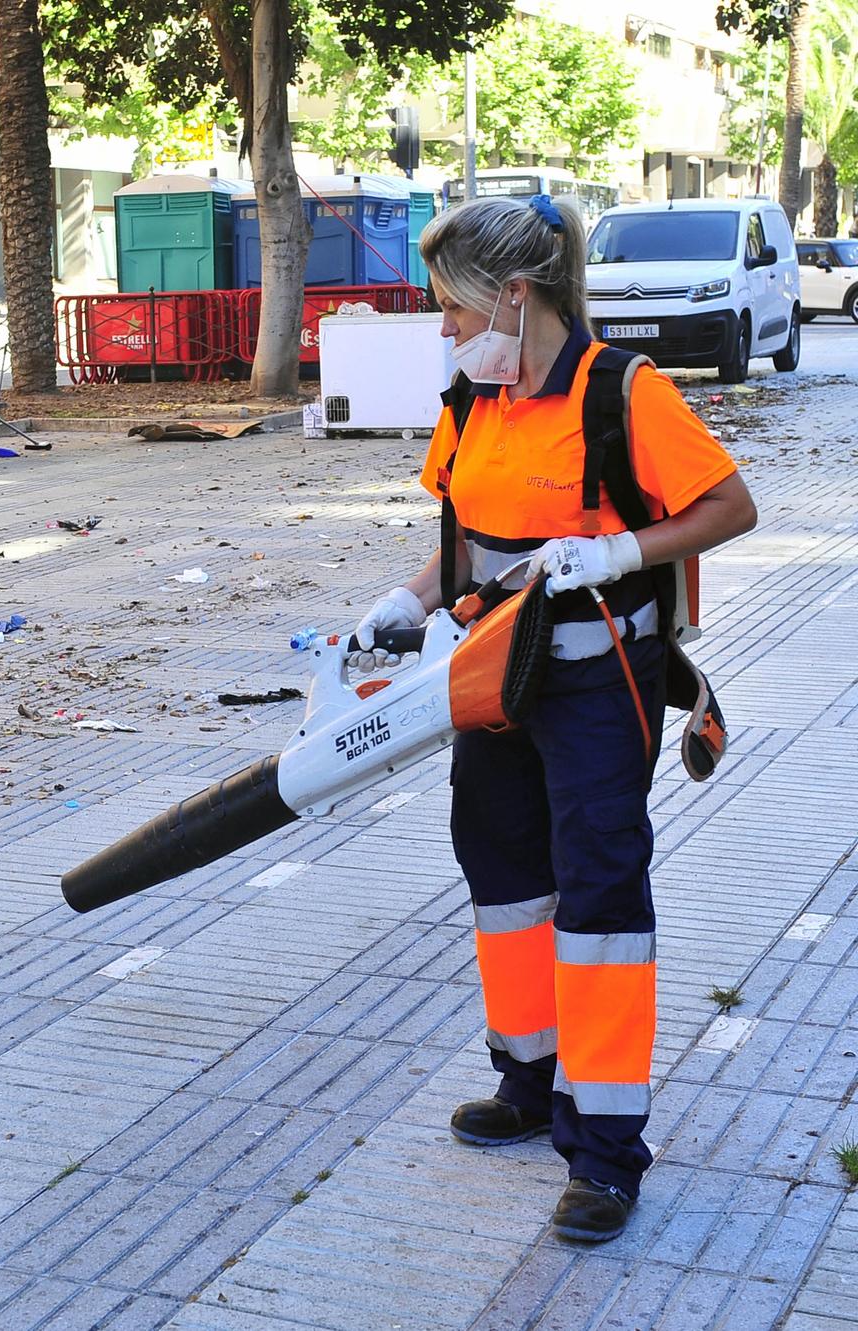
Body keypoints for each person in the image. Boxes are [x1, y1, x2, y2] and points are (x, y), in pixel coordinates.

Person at [351, 194, 757, 1243]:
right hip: (493, 677)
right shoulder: (473, 399)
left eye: (449, 306)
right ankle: (527, 1078)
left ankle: (605, 1150)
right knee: (502, 875)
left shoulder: (621, 391)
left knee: (598, 892)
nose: (440, 326)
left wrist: (614, 553)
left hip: (593, 680)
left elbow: (727, 505)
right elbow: (466, 543)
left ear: (513, 297)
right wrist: (408, 598)